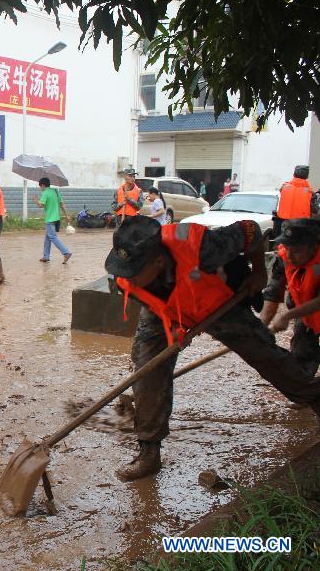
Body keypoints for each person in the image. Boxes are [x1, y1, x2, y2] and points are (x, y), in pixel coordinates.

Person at [105, 216, 320, 481]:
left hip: (218, 305)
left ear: (158, 262)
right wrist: (175, 330)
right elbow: (148, 300)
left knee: (265, 356)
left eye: (134, 272)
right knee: (148, 370)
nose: (125, 276)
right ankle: (149, 452)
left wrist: (258, 272)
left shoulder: (203, 245)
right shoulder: (126, 272)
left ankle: (314, 396)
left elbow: (251, 231)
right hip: (164, 312)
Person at [261, 219, 320, 372]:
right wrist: (261, 327)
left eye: (296, 250)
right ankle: (305, 389)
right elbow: (274, 291)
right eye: (287, 247)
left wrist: (287, 316)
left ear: (313, 247)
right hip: (305, 312)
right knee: (301, 356)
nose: (290, 255)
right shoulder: (286, 256)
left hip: (312, 306)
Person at [37, 177, 72, 263]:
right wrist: (66, 215)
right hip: (57, 219)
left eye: (40, 186)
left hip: (50, 219)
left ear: (43, 185)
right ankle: (46, 256)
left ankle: (66, 252)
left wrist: (36, 201)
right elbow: (62, 204)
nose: (40, 188)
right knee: (47, 237)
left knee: (52, 237)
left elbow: (41, 205)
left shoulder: (45, 193)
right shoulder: (56, 191)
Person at [274, 165, 313, 237]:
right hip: (301, 224)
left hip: (283, 221)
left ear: (294, 175)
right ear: (306, 177)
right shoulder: (309, 191)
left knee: (282, 242)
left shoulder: (284, 186)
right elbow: (313, 208)